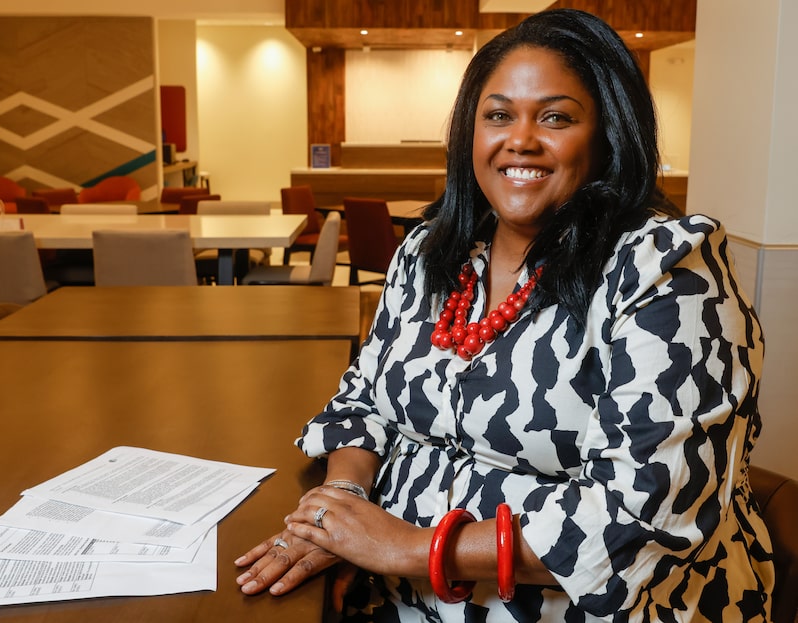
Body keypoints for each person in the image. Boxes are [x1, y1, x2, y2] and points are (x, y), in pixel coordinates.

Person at [236, 8, 774, 622]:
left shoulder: (667, 275)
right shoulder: (430, 252)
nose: (520, 139)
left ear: (606, 135)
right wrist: (337, 511)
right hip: (392, 594)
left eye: (555, 117)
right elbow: (363, 403)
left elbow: (637, 518)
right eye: (498, 115)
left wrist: (402, 545)